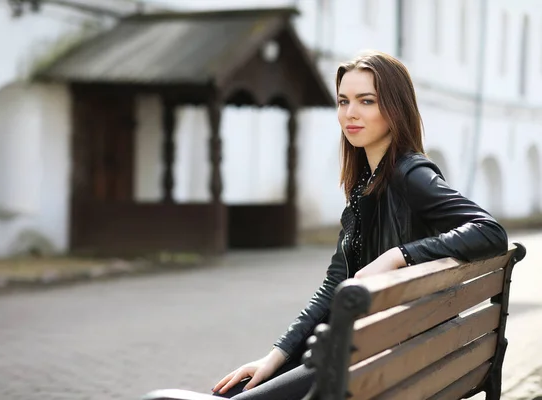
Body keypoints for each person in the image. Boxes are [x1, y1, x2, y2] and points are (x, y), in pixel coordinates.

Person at [210, 50, 508, 400]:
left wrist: (399, 256)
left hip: (377, 364)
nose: (350, 113)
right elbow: (334, 287)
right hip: (385, 358)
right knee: (238, 389)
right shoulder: (365, 184)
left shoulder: (410, 174)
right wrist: (274, 356)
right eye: (343, 101)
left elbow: (490, 231)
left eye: (366, 101)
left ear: (395, 108)